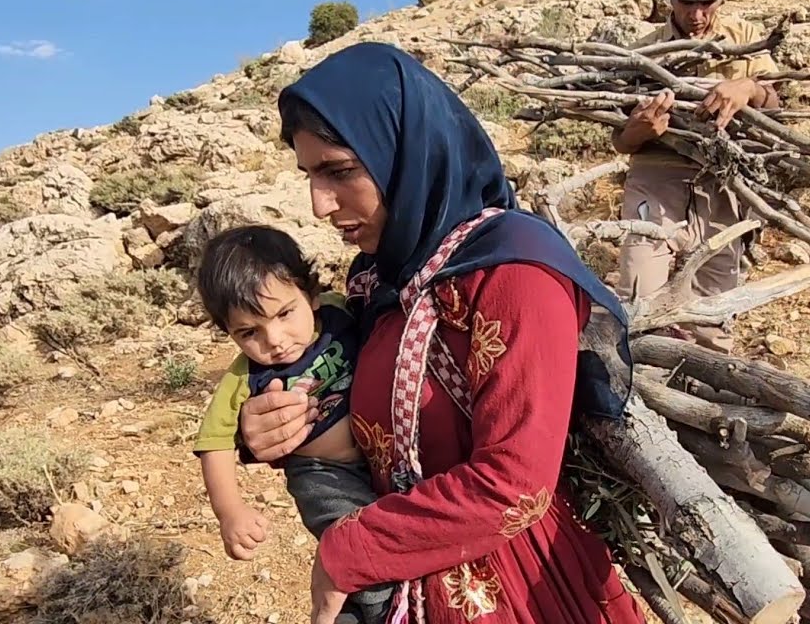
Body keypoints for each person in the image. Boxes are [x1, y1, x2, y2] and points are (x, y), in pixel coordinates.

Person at [234, 42, 647, 624]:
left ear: (406, 154)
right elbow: (347, 393)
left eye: (339, 170)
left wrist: (348, 552)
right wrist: (265, 430)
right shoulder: (382, 279)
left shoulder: (514, 273)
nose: (319, 205)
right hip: (408, 574)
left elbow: (514, 484)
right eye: (309, 175)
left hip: (517, 588)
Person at [191, 224, 393, 623]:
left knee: (393, 532)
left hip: (381, 455)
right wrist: (230, 512)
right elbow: (213, 444)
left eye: (285, 313)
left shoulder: (339, 313)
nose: (275, 339)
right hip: (320, 473)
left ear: (311, 294)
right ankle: (380, 610)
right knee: (357, 546)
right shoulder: (243, 378)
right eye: (249, 332)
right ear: (228, 334)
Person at [614, 0, 781, 354]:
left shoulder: (746, 41)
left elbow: (777, 104)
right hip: (655, 181)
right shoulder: (643, 54)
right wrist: (643, 128)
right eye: (686, 3)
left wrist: (749, 88)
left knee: (712, 309)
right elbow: (621, 140)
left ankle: (704, 400)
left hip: (722, 186)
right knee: (639, 298)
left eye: (707, 3)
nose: (696, 15)